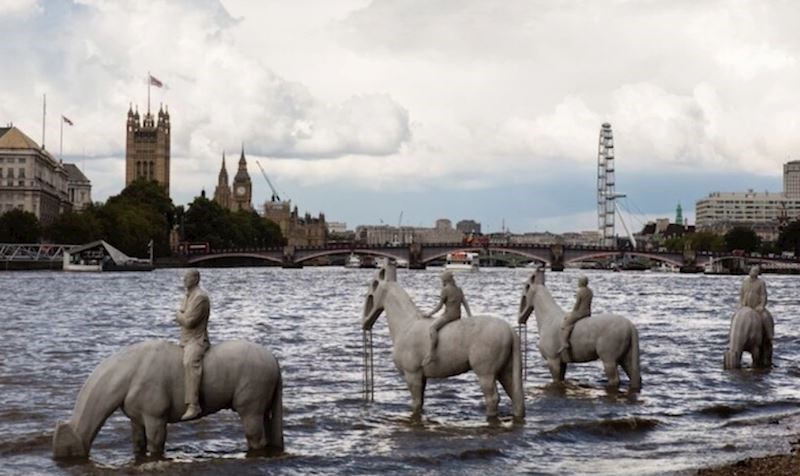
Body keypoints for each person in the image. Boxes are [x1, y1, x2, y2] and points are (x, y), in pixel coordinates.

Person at [175, 269, 211, 420]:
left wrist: (178, 315)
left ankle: (193, 405)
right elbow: (184, 315)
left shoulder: (200, 297)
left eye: (187, 277)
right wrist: (181, 315)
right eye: (184, 277)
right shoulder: (187, 296)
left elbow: (189, 322)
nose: (184, 280)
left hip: (196, 340)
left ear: (195, 279)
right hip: (184, 340)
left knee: (190, 362)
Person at [422, 271, 472, 366]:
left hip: (449, 316)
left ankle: (432, 353)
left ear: (445, 280)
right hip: (458, 315)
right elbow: (465, 303)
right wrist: (470, 315)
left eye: (442, 280)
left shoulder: (445, 290)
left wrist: (429, 314)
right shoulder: (459, 289)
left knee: (432, 328)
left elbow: (439, 306)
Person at [557, 275, 593, 359]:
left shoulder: (580, 291)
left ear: (581, 282)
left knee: (566, 323)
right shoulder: (590, 291)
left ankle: (564, 342)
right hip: (588, 312)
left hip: (580, 312)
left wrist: (572, 313)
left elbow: (577, 304)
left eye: (579, 281)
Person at [739, 265, 772, 339]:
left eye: (755, 271)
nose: (753, 273)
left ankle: (770, 335)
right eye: (752, 271)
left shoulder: (761, 282)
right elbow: (742, 294)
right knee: (736, 317)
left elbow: (763, 295)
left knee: (765, 317)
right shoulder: (745, 281)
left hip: (756, 306)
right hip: (746, 305)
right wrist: (741, 303)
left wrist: (762, 305)